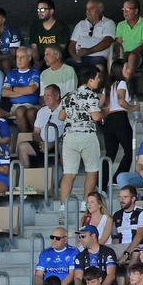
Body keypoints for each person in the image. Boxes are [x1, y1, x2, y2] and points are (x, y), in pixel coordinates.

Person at [56, 65, 104, 205]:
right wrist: (104, 112)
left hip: (69, 137)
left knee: (69, 173)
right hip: (87, 135)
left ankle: (63, 206)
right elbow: (95, 116)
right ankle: (85, 203)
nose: (99, 80)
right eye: (97, 78)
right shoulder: (91, 95)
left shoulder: (69, 96)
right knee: (92, 170)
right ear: (90, 80)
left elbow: (60, 116)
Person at [68, 0, 115, 69]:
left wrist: (89, 51)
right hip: (80, 58)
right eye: (87, 9)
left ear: (100, 10)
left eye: (91, 8)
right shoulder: (81, 24)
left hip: (98, 58)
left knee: (98, 66)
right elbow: (72, 43)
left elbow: (107, 41)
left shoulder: (108, 23)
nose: (88, 11)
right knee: (64, 66)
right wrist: (73, 55)